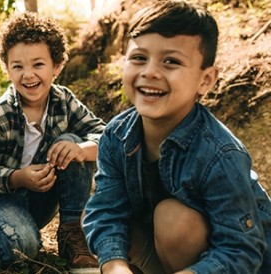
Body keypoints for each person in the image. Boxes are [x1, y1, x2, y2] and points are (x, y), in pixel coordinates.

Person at [82, 1, 271, 273]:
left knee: (173, 218)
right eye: (139, 58)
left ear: (205, 80)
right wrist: (114, 266)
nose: (150, 72)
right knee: (106, 220)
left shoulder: (221, 153)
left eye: (171, 61)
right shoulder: (116, 135)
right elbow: (106, 210)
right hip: (163, 249)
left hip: (236, 264)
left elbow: (241, 249)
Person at [0, 12, 106, 273]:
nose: (28, 75)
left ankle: (72, 233)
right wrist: (18, 178)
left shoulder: (64, 100)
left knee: (71, 142)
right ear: (6, 68)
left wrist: (82, 150)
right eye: (18, 66)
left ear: (57, 66)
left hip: (39, 200)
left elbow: (107, 137)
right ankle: (13, 237)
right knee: (23, 250)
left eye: (38, 64)